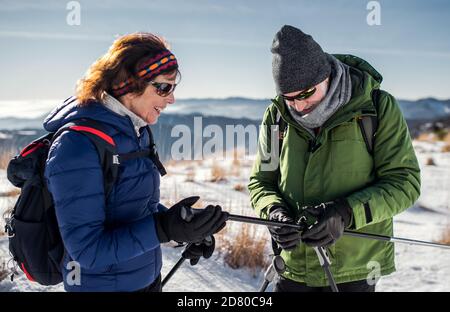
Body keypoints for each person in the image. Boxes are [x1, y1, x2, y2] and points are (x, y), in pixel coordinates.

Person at [43, 32, 227, 292]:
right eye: (163, 87)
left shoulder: (135, 131)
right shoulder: (76, 147)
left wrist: (184, 228)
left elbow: (134, 207)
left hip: (147, 281)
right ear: (130, 84)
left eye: (173, 87)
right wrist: (164, 229)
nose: (171, 98)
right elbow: (88, 250)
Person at [248, 25, 421, 292]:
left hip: (354, 269)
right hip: (293, 267)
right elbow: (261, 181)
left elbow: (404, 183)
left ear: (326, 75)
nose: (299, 106)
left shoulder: (376, 108)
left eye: (306, 94)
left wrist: (346, 212)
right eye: (289, 98)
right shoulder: (277, 117)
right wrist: (274, 212)